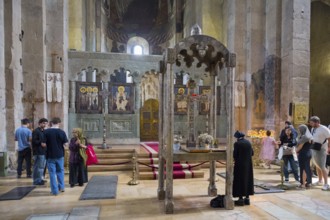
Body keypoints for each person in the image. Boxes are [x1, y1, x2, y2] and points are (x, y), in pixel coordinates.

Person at [42, 117, 68, 196]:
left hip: (50, 155)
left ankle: (55, 191)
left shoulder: (46, 132)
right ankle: (62, 187)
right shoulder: (62, 132)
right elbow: (66, 144)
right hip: (60, 155)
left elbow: (43, 144)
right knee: (60, 171)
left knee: (52, 173)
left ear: (51, 123)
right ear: (59, 123)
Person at [233, 131, 254, 206]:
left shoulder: (237, 144)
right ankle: (247, 198)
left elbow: (235, 155)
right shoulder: (248, 142)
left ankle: (241, 198)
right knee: (247, 180)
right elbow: (252, 153)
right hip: (248, 165)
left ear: (238, 138)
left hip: (240, 165)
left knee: (239, 180)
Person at [309, 116, 330, 191]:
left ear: (317, 122)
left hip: (322, 149)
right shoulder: (313, 128)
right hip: (314, 148)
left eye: (312, 123)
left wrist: (329, 147)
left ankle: (326, 184)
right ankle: (320, 180)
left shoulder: (324, 129)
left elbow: (329, 137)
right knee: (317, 165)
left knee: (322, 166)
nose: (311, 124)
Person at [32, 118, 48, 185]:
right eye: (43, 123)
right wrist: (41, 143)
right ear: (40, 123)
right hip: (38, 152)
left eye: (45, 123)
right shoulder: (36, 131)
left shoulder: (43, 131)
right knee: (38, 167)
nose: (45, 125)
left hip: (43, 151)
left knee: (42, 167)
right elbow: (34, 141)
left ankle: (40, 178)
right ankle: (36, 180)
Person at [296, 124, 313, 189]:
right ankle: (308, 183)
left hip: (304, 153)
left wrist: (295, 152)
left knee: (303, 169)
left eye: (299, 129)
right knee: (307, 168)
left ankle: (303, 184)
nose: (298, 130)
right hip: (308, 152)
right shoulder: (309, 136)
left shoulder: (304, 137)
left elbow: (300, 146)